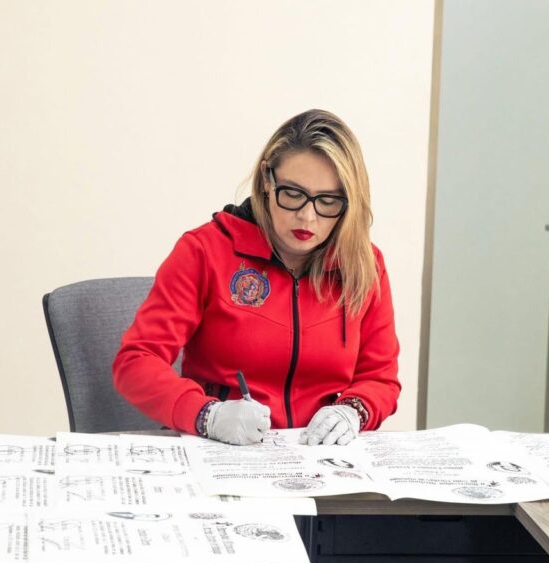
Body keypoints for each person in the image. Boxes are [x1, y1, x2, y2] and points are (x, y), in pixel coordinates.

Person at [113, 110, 400, 447]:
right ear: (267, 179)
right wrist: (207, 415)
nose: (307, 216)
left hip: (317, 457)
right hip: (220, 450)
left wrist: (353, 410)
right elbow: (135, 362)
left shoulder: (364, 264)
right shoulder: (204, 251)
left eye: (328, 201)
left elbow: (380, 379)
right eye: (292, 193)